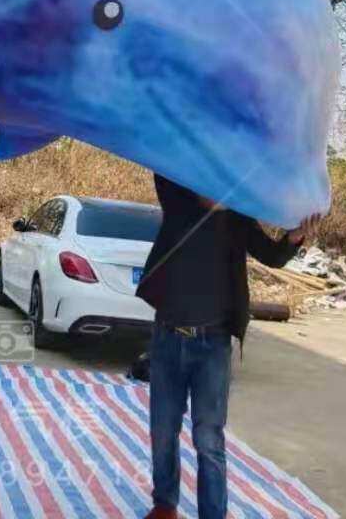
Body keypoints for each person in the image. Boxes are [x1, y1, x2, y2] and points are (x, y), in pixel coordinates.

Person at [134, 174, 321, 519]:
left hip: (213, 344)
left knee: (208, 438)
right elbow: (163, 164)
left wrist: (293, 238)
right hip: (168, 339)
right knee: (163, 430)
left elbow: (270, 255)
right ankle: (165, 506)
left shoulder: (238, 215)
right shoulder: (177, 198)